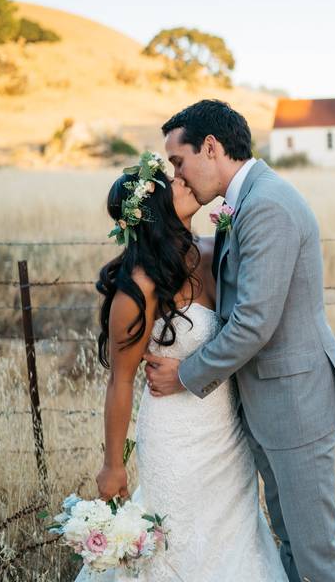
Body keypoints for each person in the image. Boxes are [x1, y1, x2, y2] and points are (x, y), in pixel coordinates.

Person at [143, 99, 335, 582]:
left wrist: (186, 374)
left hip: (295, 404)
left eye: (179, 161)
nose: (177, 174)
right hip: (272, 403)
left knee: (316, 553)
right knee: (291, 545)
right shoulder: (245, 201)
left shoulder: (266, 206)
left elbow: (254, 322)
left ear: (211, 148)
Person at [85, 149, 288, 580]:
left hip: (228, 434)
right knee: (179, 540)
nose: (185, 179)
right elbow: (120, 382)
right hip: (174, 434)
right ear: (155, 208)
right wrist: (113, 465)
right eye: (173, 182)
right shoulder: (137, 289)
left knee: (234, 537)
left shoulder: (214, 252)